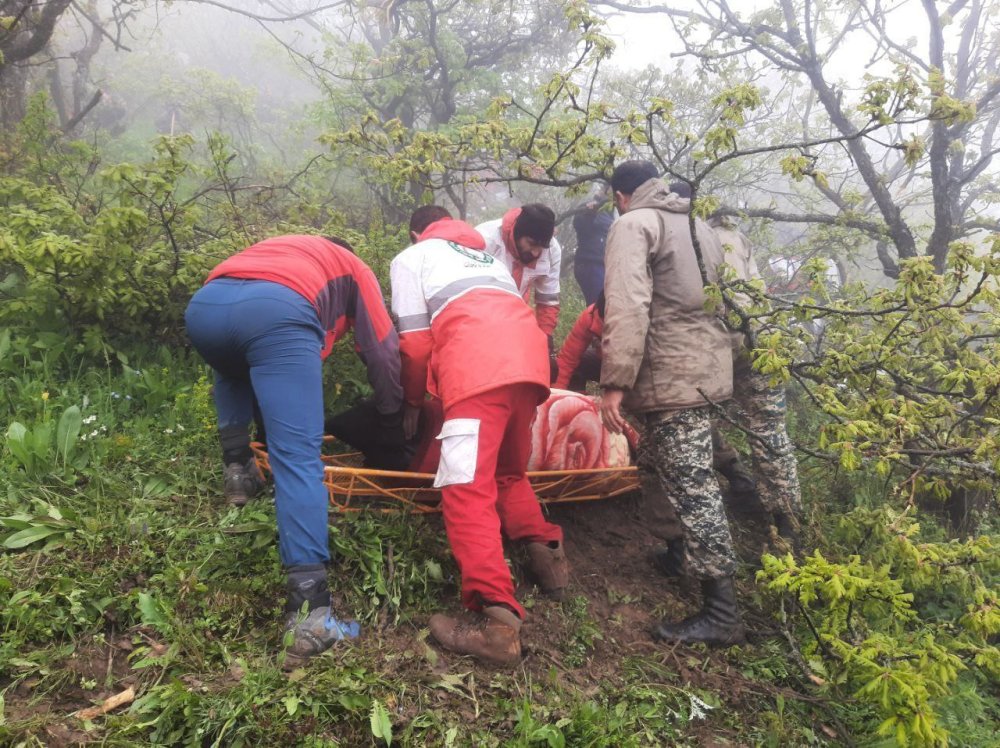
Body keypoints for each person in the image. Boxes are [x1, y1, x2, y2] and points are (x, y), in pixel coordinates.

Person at [184, 235, 403, 663]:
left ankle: (238, 470)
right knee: (298, 458)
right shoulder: (353, 267)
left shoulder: (287, 248)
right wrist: (392, 417)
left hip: (205, 308)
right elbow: (383, 350)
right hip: (276, 312)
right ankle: (310, 614)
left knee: (234, 368)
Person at [391, 206, 568, 666]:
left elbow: (413, 343)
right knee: (508, 472)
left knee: (466, 488)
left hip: (477, 370)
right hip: (529, 369)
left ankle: (497, 625)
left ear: (417, 234)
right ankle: (548, 561)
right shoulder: (487, 259)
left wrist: (413, 401)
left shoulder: (412, 258)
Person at [599, 161, 745, 647]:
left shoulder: (633, 224)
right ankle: (678, 552)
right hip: (705, 368)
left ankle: (722, 611)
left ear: (620, 195)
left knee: (692, 485)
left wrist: (614, 381)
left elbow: (627, 302)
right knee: (660, 466)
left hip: (671, 373)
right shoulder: (697, 223)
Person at [554, 292, 757, 496]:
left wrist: (620, 392)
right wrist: (563, 404)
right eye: (604, 320)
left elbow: (653, 368)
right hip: (613, 366)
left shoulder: (652, 323)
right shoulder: (589, 317)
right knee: (578, 365)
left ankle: (738, 477)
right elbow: (567, 361)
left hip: (654, 374)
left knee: (682, 421)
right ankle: (581, 413)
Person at [708, 213, 802, 540]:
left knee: (697, 417)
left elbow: (734, 301)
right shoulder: (737, 235)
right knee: (769, 431)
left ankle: (769, 512)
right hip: (762, 343)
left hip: (736, 343)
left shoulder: (714, 236)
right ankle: (784, 518)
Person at [476, 204, 562, 340]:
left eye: (541, 247)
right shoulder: (484, 241)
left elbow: (547, 300)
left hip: (515, 316)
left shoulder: (552, 249)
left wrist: (545, 337)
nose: (536, 252)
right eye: (532, 243)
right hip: (479, 315)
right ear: (517, 232)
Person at [572, 192, 614, 305]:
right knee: (599, 308)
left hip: (607, 266)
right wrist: (589, 214)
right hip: (592, 263)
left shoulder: (614, 212)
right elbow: (579, 224)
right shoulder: (590, 206)